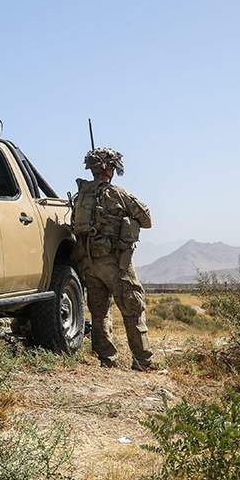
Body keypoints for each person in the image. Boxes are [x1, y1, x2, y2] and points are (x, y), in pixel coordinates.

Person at [72, 147, 155, 371]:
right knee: (133, 307)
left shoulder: (81, 196)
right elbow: (147, 220)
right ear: (109, 168)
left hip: (89, 262)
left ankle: (107, 359)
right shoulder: (117, 193)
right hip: (115, 263)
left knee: (99, 313)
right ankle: (143, 361)